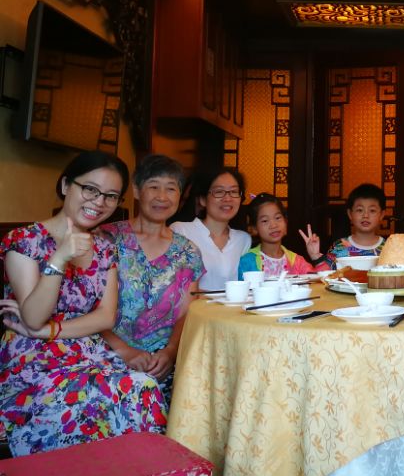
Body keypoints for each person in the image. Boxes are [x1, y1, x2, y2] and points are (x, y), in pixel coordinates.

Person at [0, 151, 166, 455]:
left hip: (87, 353)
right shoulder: (24, 241)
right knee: (114, 393)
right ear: (66, 185)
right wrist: (59, 258)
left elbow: (105, 316)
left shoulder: (104, 248)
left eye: (110, 196)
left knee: (143, 387)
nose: (99, 202)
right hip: (35, 361)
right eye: (90, 189)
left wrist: (48, 331)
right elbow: (33, 316)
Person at [98, 154, 204, 405]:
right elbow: (86, 306)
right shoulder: (106, 239)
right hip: (107, 354)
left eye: (171, 188)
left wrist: (171, 352)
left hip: (163, 361)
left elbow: (186, 313)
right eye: (153, 186)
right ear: (136, 190)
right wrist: (124, 351)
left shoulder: (188, 252)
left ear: (180, 195)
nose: (162, 197)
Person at [171, 167, 251, 290]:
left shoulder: (243, 240)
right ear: (203, 200)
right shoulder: (181, 231)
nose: (227, 198)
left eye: (234, 191)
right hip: (194, 304)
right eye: (219, 192)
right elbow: (171, 285)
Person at [238, 193, 316, 277]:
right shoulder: (247, 261)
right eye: (265, 221)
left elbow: (317, 281)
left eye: (278, 218)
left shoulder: (297, 261)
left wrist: (316, 257)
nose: (274, 225)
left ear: (285, 222)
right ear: (254, 228)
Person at [323, 183, 389, 268]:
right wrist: (315, 256)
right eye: (360, 210)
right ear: (350, 214)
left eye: (372, 210)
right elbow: (326, 273)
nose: (365, 215)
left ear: (382, 214)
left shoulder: (388, 247)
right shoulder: (338, 247)